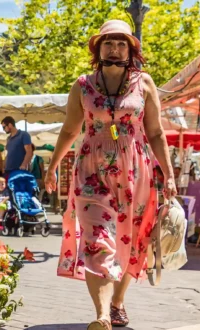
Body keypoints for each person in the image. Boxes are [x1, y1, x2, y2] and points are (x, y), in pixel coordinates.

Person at [43, 20, 176, 330]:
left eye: (121, 43)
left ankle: (117, 303)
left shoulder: (144, 83)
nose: (114, 48)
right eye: (108, 43)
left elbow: (156, 132)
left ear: (130, 50)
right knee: (97, 239)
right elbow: (69, 129)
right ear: (97, 48)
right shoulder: (83, 85)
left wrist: (168, 173)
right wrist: (52, 165)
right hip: (91, 171)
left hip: (137, 172)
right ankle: (102, 314)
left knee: (131, 241)